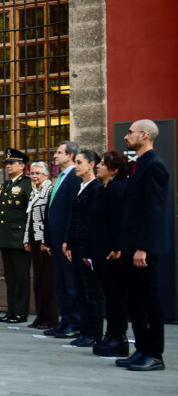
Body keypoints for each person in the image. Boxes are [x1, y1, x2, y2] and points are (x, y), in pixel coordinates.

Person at [115, 120, 169, 371]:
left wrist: (143, 247)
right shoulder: (139, 165)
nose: (126, 137)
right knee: (134, 301)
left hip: (142, 249)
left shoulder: (154, 166)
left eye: (130, 133)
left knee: (149, 301)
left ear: (144, 135)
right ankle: (142, 349)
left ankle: (154, 354)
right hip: (130, 246)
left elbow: (154, 211)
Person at [87, 151, 130, 357]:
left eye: (103, 164)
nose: (98, 166)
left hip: (111, 253)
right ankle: (111, 333)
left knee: (115, 295)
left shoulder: (118, 189)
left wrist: (116, 247)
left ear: (114, 170)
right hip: (99, 251)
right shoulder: (103, 189)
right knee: (109, 295)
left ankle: (118, 336)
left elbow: (119, 222)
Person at [63, 150, 103, 347]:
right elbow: (75, 219)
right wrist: (69, 243)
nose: (76, 165)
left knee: (92, 291)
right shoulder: (81, 186)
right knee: (81, 289)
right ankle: (84, 330)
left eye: (80, 162)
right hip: (77, 245)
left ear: (92, 164)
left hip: (88, 246)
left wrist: (89, 250)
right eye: (75, 162)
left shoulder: (95, 188)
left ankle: (94, 333)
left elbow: (93, 222)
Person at [43, 140, 83, 339]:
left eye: (59, 152)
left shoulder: (74, 178)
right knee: (60, 283)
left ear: (70, 156)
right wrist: (49, 239)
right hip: (56, 240)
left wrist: (67, 239)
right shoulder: (59, 178)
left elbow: (71, 212)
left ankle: (75, 323)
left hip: (65, 241)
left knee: (70, 283)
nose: (55, 156)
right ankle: (64, 321)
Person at [0, 148, 32, 324]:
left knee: (21, 277)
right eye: (7, 163)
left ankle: (20, 312)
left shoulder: (27, 184)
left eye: (12, 163)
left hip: (19, 238)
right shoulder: (6, 185)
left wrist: (28, 238)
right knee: (10, 278)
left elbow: (30, 213)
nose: (8, 166)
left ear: (22, 166)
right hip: (6, 237)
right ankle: (11, 310)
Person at [23, 161, 58, 330]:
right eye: (32, 173)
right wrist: (26, 239)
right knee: (38, 280)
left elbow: (49, 218)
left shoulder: (50, 190)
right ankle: (40, 316)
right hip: (34, 240)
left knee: (48, 281)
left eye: (37, 173)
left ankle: (50, 318)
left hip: (44, 242)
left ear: (46, 175)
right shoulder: (34, 191)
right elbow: (29, 217)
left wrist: (46, 240)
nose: (34, 176)